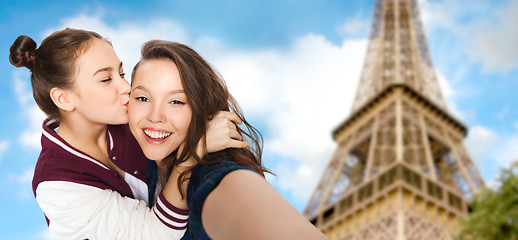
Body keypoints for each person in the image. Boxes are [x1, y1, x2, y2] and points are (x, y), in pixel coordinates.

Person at [9, 28, 246, 239]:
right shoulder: (56, 184)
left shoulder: (129, 118)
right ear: (64, 98)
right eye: (106, 79)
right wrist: (193, 153)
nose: (126, 88)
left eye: (121, 74)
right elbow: (156, 233)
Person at [129, 40, 327, 239]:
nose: (155, 116)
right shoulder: (139, 163)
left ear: (200, 108)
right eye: (143, 98)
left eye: (176, 101)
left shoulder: (214, 175)